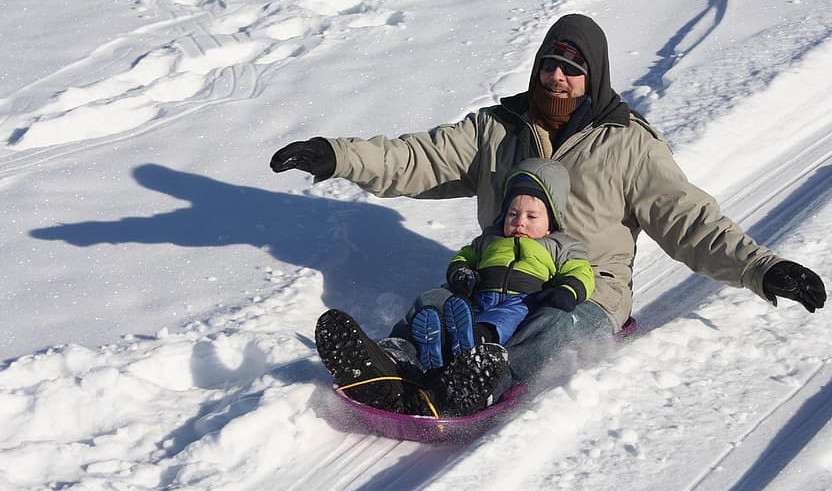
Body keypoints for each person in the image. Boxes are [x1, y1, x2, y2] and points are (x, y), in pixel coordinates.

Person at [272, 14, 826, 415]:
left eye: (572, 69)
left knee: (558, 328)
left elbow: (688, 220)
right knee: (440, 305)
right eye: (549, 65)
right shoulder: (497, 128)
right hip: (497, 273)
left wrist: (761, 267)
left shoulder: (629, 145)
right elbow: (418, 157)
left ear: (595, 77)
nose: (557, 78)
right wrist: (338, 154)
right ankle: (391, 362)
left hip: (581, 288)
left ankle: (486, 376)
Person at [410, 158, 594, 374]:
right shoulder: (489, 240)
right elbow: (464, 257)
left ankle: (476, 344)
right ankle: (435, 349)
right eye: (513, 214)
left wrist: (567, 291)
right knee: (450, 310)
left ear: (550, 222)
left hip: (522, 302)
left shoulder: (561, 246)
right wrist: (462, 272)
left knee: (502, 320)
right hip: (478, 299)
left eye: (531, 216)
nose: (520, 222)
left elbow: (581, 272)